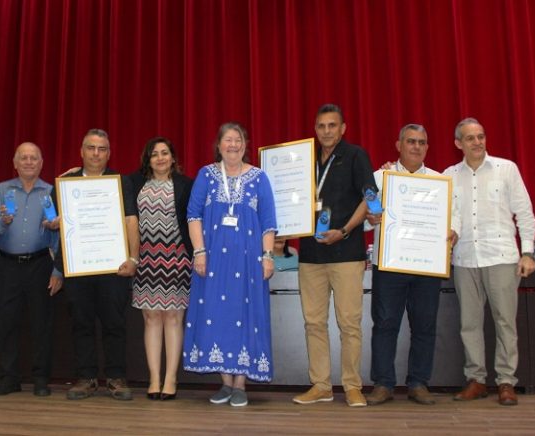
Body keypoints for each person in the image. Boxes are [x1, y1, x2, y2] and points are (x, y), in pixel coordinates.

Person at [182, 122, 277, 407]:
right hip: (212, 261)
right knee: (216, 312)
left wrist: (268, 256)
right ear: (219, 145)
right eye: (227, 140)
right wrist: (199, 251)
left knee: (245, 314)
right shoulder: (206, 175)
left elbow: (269, 220)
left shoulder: (259, 178)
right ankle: (225, 382)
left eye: (238, 140)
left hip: (249, 262)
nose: (233, 145)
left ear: (245, 144)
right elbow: (193, 214)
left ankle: (240, 384)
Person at [364, 124, 459, 406]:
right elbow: (367, 214)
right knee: (384, 324)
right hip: (389, 264)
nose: (416, 147)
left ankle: (418, 383)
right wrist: (371, 218)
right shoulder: (380, 178)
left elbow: (454, 216)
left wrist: (453, 230)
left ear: (427, 147)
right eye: (410, 141)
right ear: (398, 145)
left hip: (427, 265)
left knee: (425, 325)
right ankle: (383, 384)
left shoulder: (440, 181)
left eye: (422, 142)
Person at [445, 117, 535, 406]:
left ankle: (506, 382)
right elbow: (450, 217)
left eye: (481, 136)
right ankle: (476, 380)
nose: (478, 142)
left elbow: (524, 212)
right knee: (469, 323)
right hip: (464, 258)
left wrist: (528, 251)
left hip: (501, 256)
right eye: (470, 138)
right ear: (458, 143)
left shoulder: (506, 169)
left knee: (504, 322)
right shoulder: (449, 175)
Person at [293, 104, 375, 407]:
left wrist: (344, 230)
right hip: (310, 254)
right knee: (313, 323)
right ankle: (321, 385)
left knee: (349, 323)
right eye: (321, 126)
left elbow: (369, 196)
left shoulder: (356, 156)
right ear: (315, 129)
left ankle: (353, 386)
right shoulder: (303, 159)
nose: (326, 131)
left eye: (332, 125)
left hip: (346, 251)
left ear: (343, 128)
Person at [49, 128, 140, 401]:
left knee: (114, 323)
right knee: (81, 323)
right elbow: (55, 223)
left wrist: (133, 258)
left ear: (109, 153)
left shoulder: (120, 181)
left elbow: (130, 221)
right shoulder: (65, 183)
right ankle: (86, 378)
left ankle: (116, 377)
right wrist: (53, 223)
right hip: (79, 267)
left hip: (114, 267)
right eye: (91, 148)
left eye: (102, 149)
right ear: (81, 151)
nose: (96, 154)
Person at [0, 143, 62, 397]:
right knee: (6, 323)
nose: (29, 162)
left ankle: (41, 379)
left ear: (41, 163)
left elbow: (60, 236)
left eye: (34, 158)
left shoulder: (51, 192)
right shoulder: (2, 190)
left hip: (41, 264)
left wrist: (57, 272)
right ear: (15, 163)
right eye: (24, 158)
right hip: (7, 265)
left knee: (42, 324)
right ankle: (9, 378)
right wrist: (3, 221)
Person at [127, 137, 193, 401]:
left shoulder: (186, 185)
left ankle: (171, 379)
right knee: (152, 318)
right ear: (148, 159)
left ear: (173, 158)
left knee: (174, 319)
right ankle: (154, 378)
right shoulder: (134, 182)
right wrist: (74, 174)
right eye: (154, 154)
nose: (160, 158)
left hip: (177, 260)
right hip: (146, 261)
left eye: (165, 153)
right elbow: (105, 186)